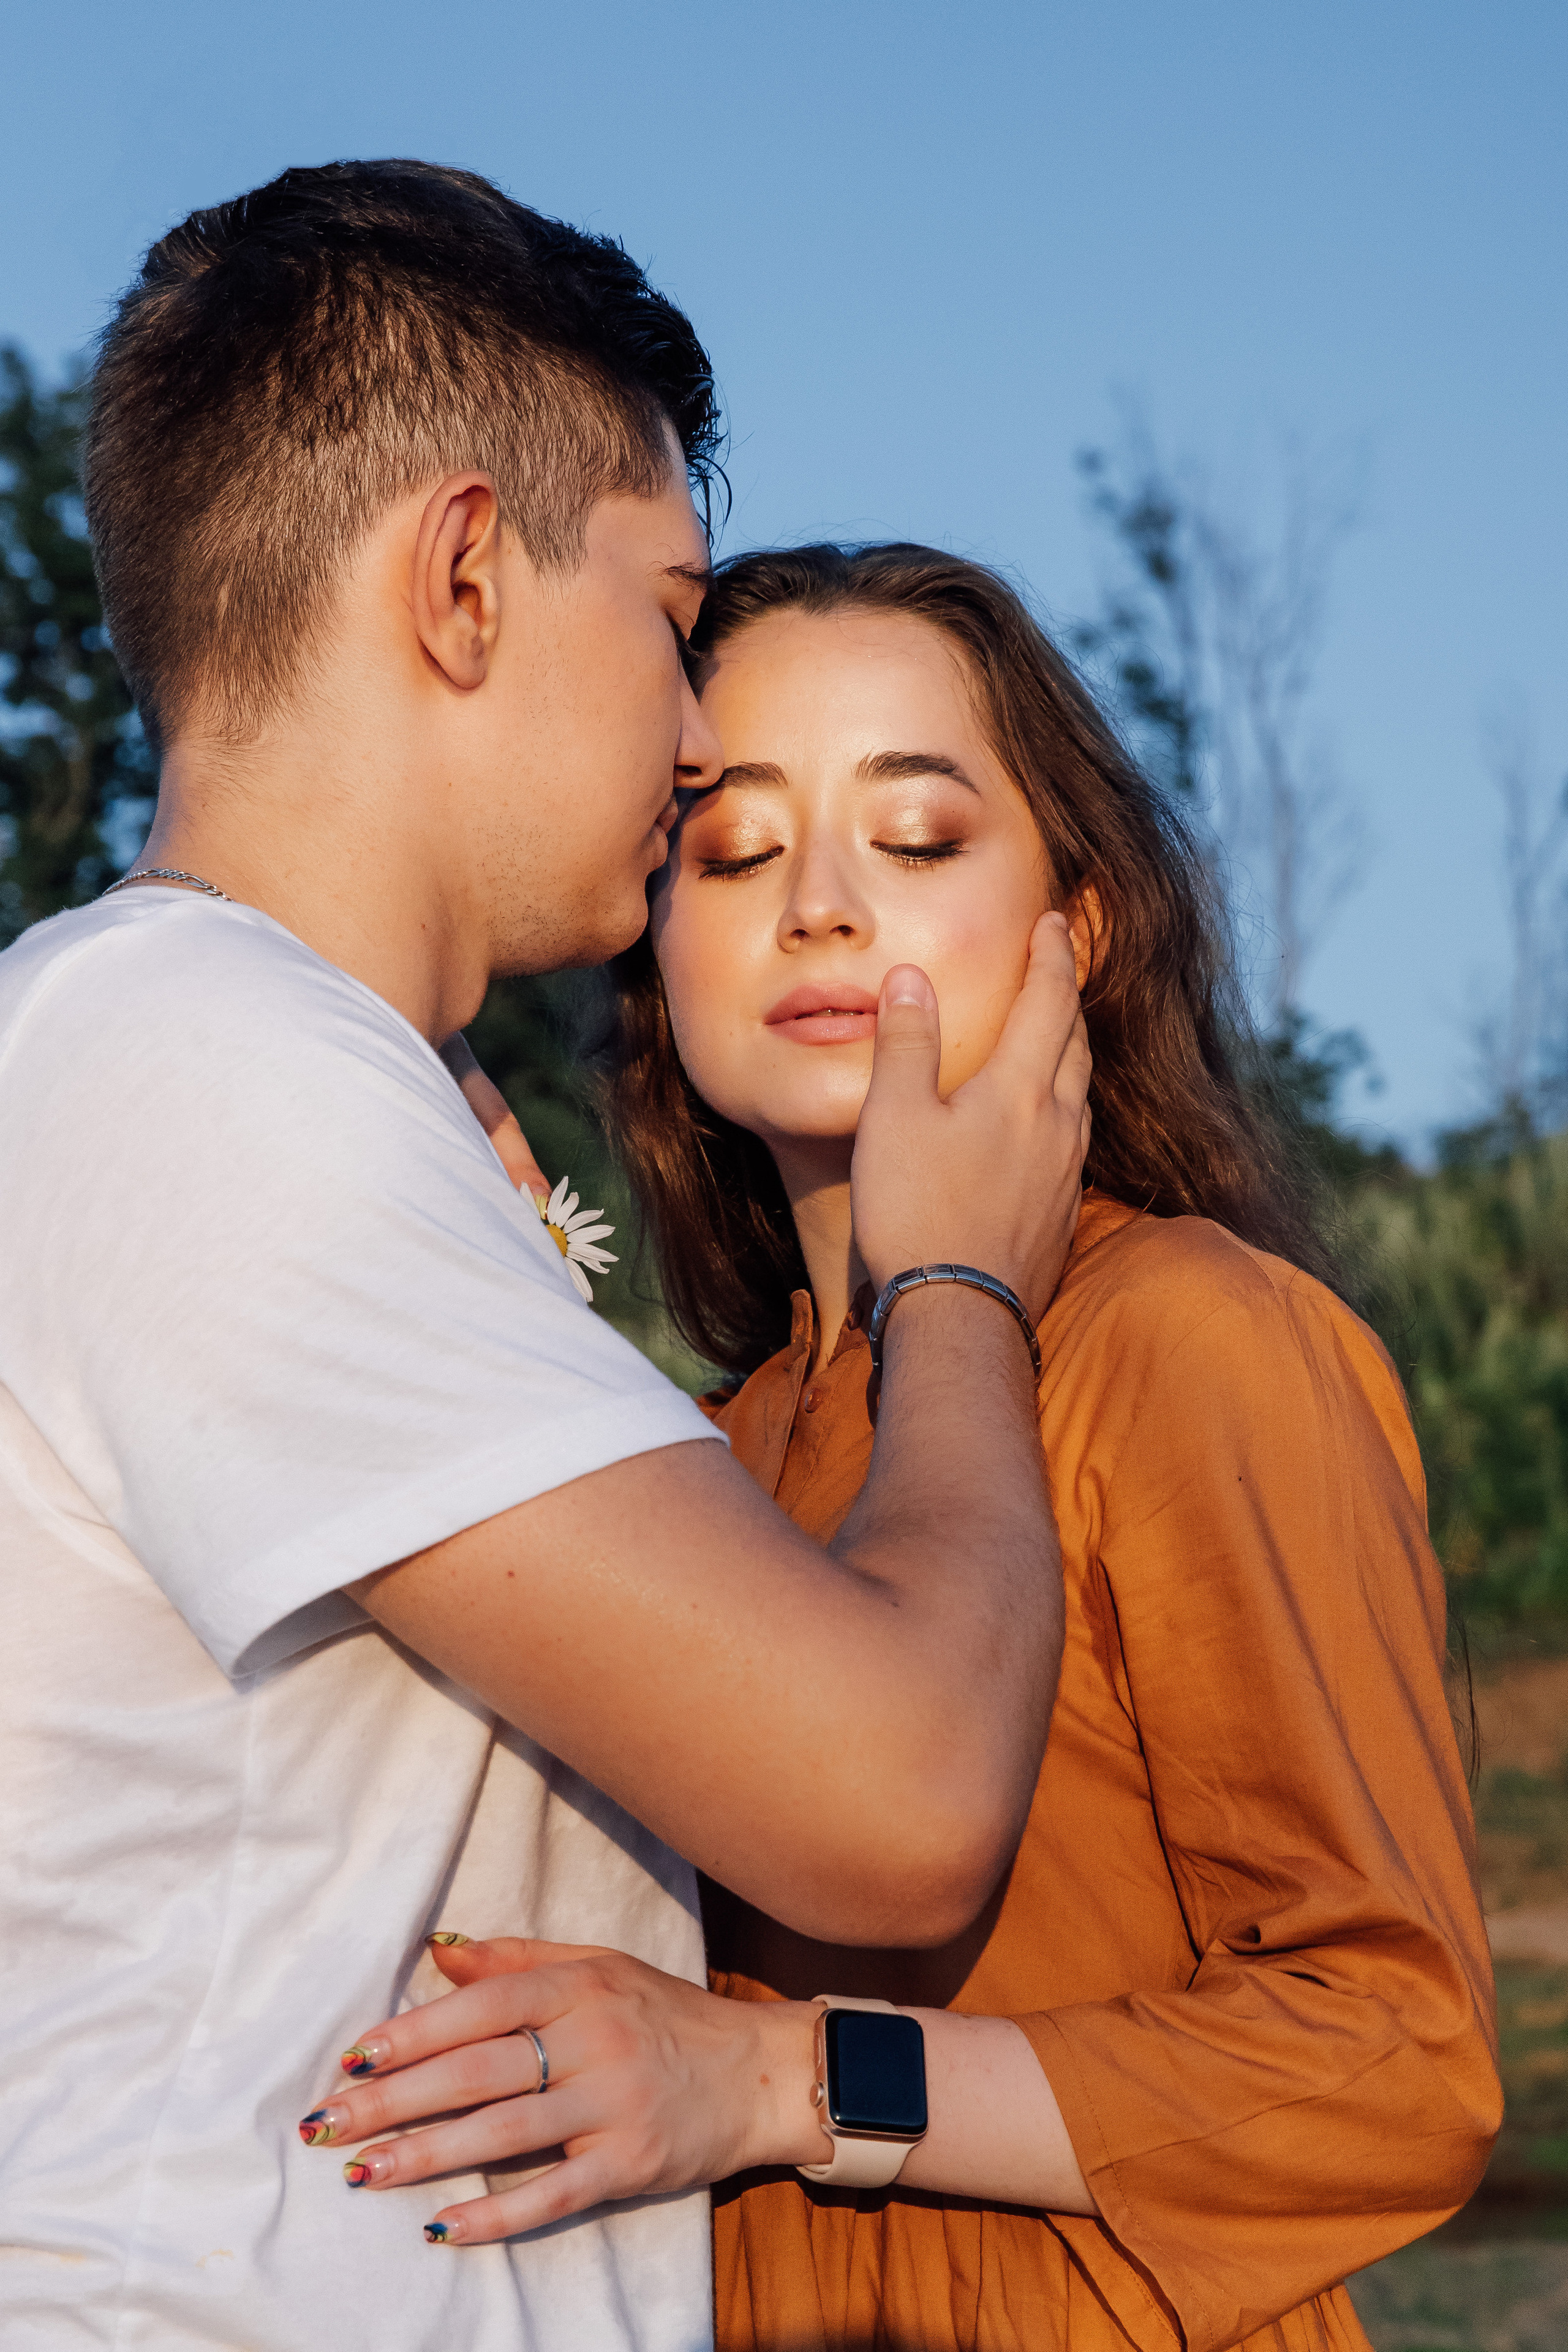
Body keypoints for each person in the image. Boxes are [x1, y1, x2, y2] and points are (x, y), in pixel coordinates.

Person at [0, 177, 1094, 2352]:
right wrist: (950, 1285)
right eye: (672, 614)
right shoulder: (206, 1069)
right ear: (470, 574)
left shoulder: (241, 1073)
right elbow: (894, 1803)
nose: (695, 734)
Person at [315, 545, 1501, 2352]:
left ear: (1076, 931)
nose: (822, 911)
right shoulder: (686, 1449)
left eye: (920, 838)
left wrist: (788, 2080)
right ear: (657, 926)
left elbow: (1396, 2062)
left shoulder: (1182, 1334)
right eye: (735, 848)